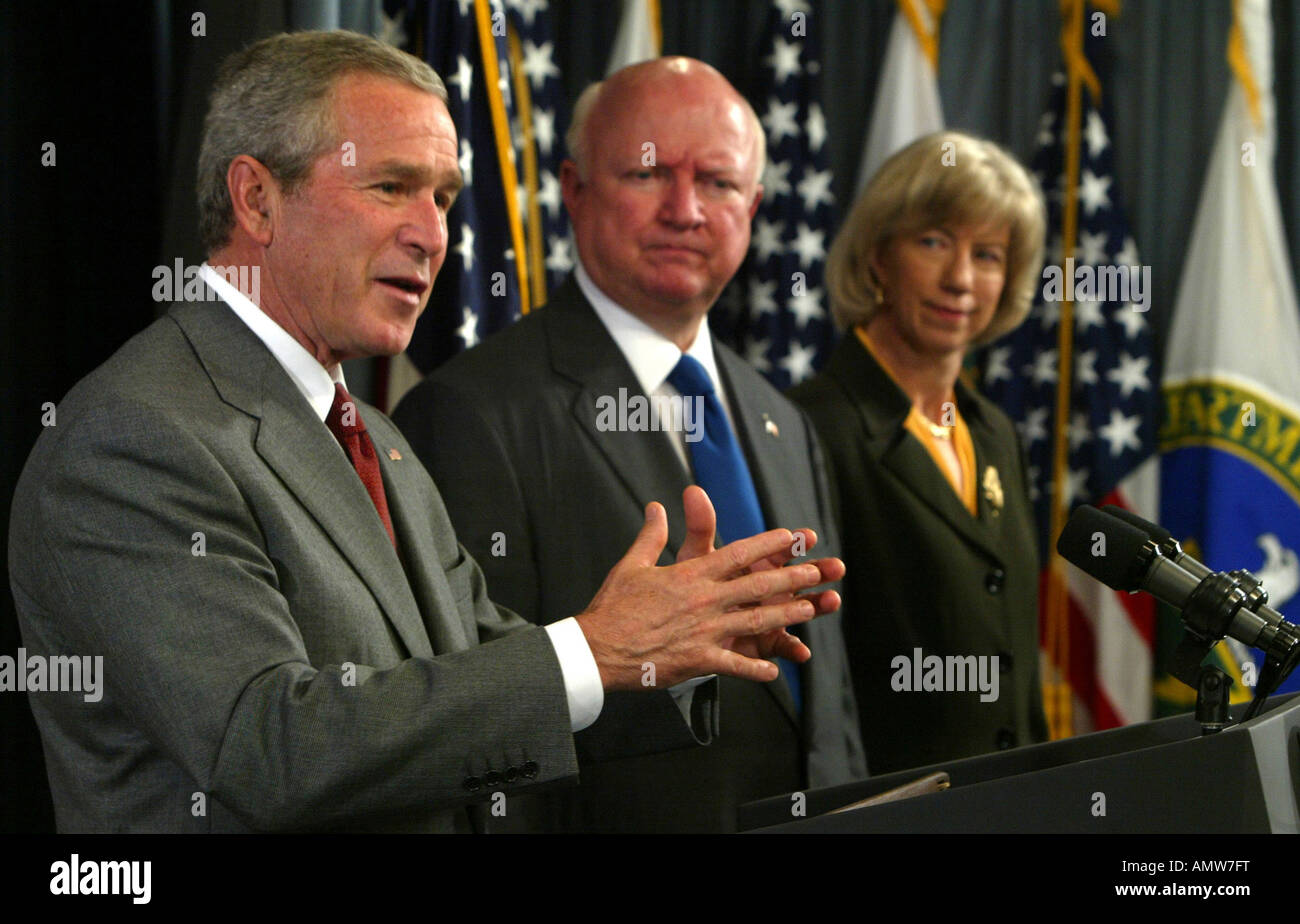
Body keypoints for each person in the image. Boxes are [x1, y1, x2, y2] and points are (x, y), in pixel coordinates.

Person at [6, 31, 845, 833]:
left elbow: (484, 687)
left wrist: (671, 648)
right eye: (389, 187)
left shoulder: (374, 436)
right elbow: (270, 749)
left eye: (443, 195)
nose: (433, 233)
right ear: (256, 198)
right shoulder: (137, 435)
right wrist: (593, 648)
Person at [393, 57, 866, 833]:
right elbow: (477, 724)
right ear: (574, 191)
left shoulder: (785, 419)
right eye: (649, 176)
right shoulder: (470, 414)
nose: (685, 210)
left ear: (752, 204)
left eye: (717, 182)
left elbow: (828, 709)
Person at [788, 130, 1050, 774]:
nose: (960, 279)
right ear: (877, 256)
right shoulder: (809, 426)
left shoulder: (996, 434)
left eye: (988, 255)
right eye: (934, 242)